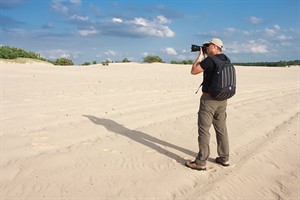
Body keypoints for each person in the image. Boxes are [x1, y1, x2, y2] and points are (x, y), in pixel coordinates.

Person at [185, 38, 230, 171]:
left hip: (209, 100)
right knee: (221, 129)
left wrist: (200, 57)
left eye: (208, 45)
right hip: (223, 100)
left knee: (204, 129)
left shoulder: (210, 60)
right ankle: (224, 157)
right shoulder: (226, 59)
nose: (205, 47)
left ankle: (201, 161)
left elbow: (194, 71)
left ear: (215, 46)